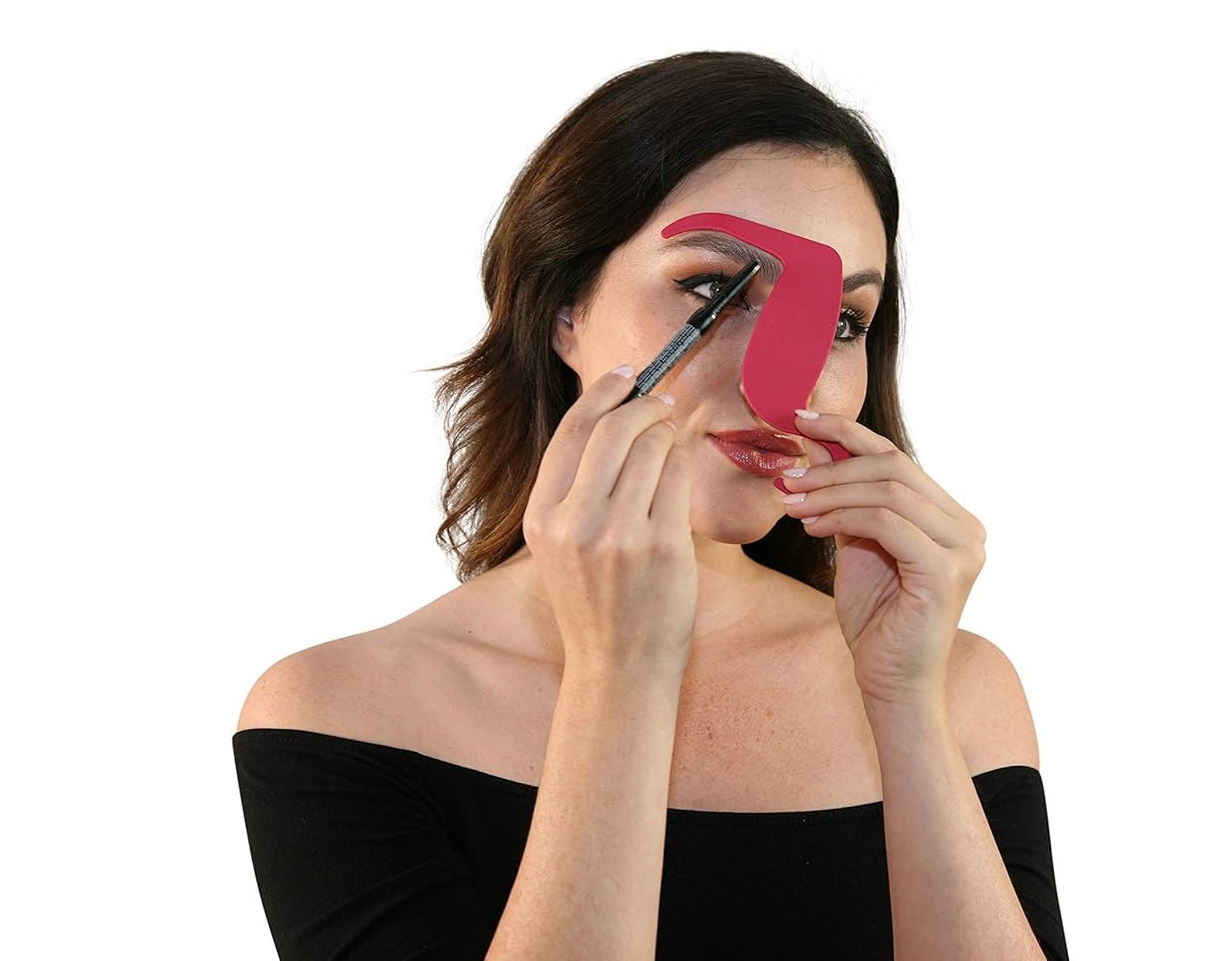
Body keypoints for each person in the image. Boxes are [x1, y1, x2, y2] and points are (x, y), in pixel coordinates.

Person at [232, 49, 1068, 960]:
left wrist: (906, 708)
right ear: (565, 310)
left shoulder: (951, 689)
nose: (787, 387)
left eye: (841, 322)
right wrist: (621, 674)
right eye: (714, 290)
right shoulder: (343, 710)